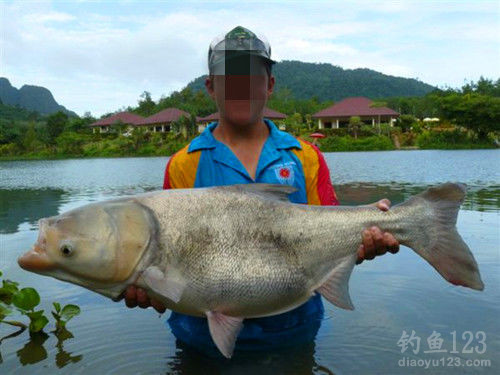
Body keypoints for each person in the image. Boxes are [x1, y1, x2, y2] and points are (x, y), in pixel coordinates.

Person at [122, 26, 399, 356]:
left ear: (269, 84)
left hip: (292, 333)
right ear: (211, 86)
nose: (242, 88)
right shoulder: (184, 165)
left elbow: (333, 233)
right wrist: (145, 283)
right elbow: (166, 259)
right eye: (230, 78)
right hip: (201, 340)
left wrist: (365, 235)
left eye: (252, 77)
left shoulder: (305, 157)